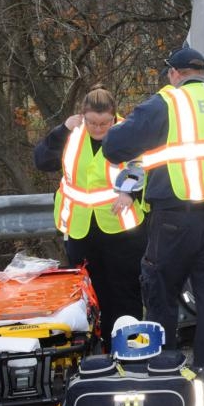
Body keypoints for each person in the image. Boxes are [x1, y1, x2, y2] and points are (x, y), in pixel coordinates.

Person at [102, 47, 204, 370]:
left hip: (173, 220)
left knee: (160, 292)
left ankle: (164, 368)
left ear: (174, 74)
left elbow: (114, 147)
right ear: (203, 73)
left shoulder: (167, 102)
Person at [33, 85, 146, 351]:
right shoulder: (72, 135)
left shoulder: (127, 133)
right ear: (83, 116)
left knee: (124, 292)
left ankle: (128, 348)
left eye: (104, 122)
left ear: (114, 116)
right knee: (90, 294)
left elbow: (141, 166)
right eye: (92, 122)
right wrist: (62, 129)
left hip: (121, 229)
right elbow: (41, 160)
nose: (98, 128)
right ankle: (95, 351)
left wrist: (130, 192)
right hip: (81, 229)